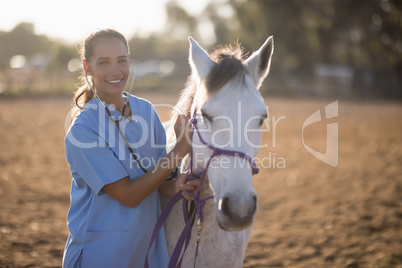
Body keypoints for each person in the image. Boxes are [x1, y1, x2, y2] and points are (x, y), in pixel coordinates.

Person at [62, 29, 197, 268]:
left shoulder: (145, 110)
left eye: (121, 60)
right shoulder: (82, 132)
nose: (115, 71)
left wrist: (175, 186)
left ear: (129, 62)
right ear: (87, 67)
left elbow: (153, 182)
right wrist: (179, 150)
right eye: (104, 62)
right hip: (100, 255)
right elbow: (130, 195)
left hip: (146, 253)